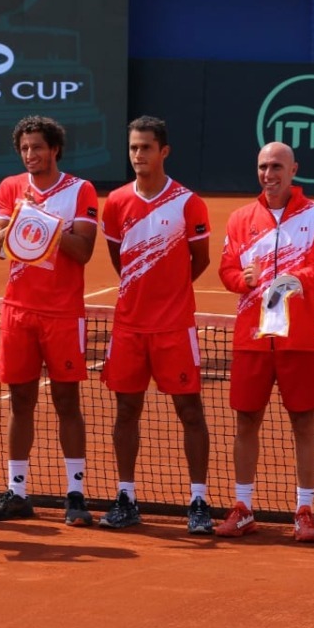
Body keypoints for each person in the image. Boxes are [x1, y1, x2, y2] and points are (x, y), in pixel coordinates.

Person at [0, 115, 97, 527]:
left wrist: (46, 226)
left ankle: (76, 494)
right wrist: (18, 220)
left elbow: (83, 250)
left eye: (38, 147)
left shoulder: (81, 190)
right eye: (25, 148)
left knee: (67, 403)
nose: (31, 155)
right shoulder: (12, 188)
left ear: (55, 149)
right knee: (20, 402)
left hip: (63, 314)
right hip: (18, 311)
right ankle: (17, 492)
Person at [97, 116, 212, 532]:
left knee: (190, 411)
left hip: (174, 328)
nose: (138, 155)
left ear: (164, 151)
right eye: (133, 148)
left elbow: (200, 260)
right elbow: (119, 260)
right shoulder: (117, 202)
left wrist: (170, 294)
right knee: (126, 410)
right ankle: (125, 497)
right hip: (128, 327)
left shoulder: (187, 202)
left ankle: (199, 501)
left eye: (146, 147)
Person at [215, 141, 314, 543]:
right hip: (251, 339)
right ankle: (243, 507)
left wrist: (296, 280)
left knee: (304, 421)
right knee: (246, 421)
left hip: (298, 339)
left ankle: (304, 510)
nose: (270, 174)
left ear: (293, 169)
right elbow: (227, 269)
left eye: (277, 166)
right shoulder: (239, 218)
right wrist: (240, 280)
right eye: (263, 166)